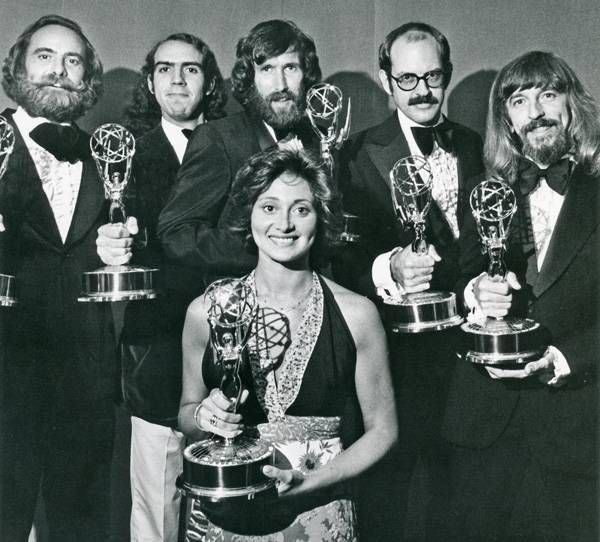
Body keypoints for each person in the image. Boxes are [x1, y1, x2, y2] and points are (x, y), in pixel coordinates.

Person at [178, 147, 397, 541]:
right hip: (224, 515)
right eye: (269, 207)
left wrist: (309, 484)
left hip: (318, 511)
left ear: (321, 217)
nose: (284, 224)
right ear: (249, 214)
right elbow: (186, 413)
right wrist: (203, 418)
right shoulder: (205, 311)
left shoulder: (357, 313)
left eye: (301, 209)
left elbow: (383, 431)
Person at [441, 51, 600, 541]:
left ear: (571, 105)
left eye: (549, 95)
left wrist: (565, 359)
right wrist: (475, 293)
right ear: (505, 118)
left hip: (578, 427)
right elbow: (456, 281)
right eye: (520, 100)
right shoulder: (483, 190)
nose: (536, 112)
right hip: (483, 427)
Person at [335, 22, 484, 539]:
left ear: (448, 74)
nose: (422, 90)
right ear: (385, 79)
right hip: (393, 362)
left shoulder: (477, 146)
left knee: (457, 501)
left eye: (433, 76)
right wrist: (388, 268)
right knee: (389, 505)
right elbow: (334, 262)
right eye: (407, 79)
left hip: (468, 358)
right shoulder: (353, 155)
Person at [96, 33, 227, 542]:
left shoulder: (235, 146)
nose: (177, 79)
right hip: (155, 347)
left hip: (231, 342)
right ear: (150, 82)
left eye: (190, 69)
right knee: (157, 500)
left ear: (209, 81)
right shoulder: (122, 156)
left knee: (231, 486)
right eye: (165, 69)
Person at [0, 15, 116, 541]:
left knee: (82, 520)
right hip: (7, 363)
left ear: (87, 76)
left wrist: (120, 245)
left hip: (85, 370)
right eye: (44, 56)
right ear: (19, 68)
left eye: (73, 61)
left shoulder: (109, 154)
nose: (59, 71)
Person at [157, 19, 321, 291]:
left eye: (290, 67)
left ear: (306, 73)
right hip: (244, 310)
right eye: (267, 68)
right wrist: (267, 252)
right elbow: (176, 235)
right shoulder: (219, 138)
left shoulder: (322, 140)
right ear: (250, 78)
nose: (280, 84)